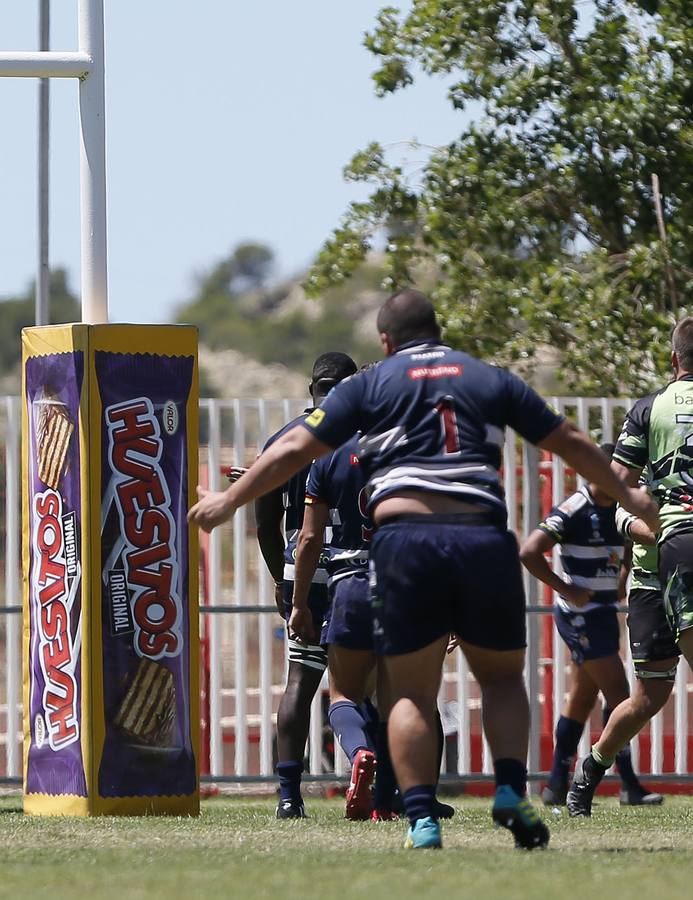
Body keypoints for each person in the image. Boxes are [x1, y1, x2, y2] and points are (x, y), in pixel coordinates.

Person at [191, 289, 657, 851]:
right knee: (503, 678)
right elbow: (570, 440)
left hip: (403, 543)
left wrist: (227, 501)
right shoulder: (487, 378)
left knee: (407, 692)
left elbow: (293, 447)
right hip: (482, 536)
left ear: (386, 340)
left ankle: (420, 819)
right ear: (438, 330)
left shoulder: (371, 384)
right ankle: (511, 789)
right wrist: (629, 498)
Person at [568, 319, 693, 814]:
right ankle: (589, 772)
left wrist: (638, 524)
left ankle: (585, 775)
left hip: (659, 561)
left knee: (648, 696)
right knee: (648, 696)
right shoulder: (647, 410)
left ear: (673, 358)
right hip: (664, 560)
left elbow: (615, 493)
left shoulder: (647, 409)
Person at [519, 448, 659, 807]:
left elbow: (627, 544)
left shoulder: (620, 508)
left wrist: (624, 575)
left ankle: (553, 785)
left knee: (582, 699)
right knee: (620, 694)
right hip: (581, 617)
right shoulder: (574, 509)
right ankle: (628, 785)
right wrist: (567, 589)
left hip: (604, 613)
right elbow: (530, 552)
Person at [257, 351, 356, 818]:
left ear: (309, 387)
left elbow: (265, 521)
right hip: (357, 569)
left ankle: (288, 795)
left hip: (305, 572)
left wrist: (282, 579)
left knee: (300, 682)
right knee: (367, 685)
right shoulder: (365, 438)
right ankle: (386, 785)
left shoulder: (284, 441)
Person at [291, 430, 387, 821]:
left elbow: (310, 538)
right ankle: (393, 800)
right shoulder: (415, 449)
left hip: (351, 582)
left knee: (344, 695)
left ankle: (360, 753)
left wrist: (299, 603)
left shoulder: (329, 456)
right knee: (399, 698)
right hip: (403, 581)